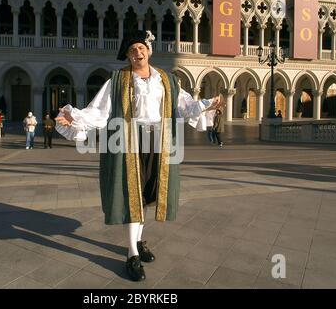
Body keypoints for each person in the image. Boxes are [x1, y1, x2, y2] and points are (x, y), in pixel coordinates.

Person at [55, 30, 219, 282]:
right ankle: (132, 254)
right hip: (127, 142)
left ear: (150, 50)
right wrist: (74, 117)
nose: (137, 52)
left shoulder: (167, 79)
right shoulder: (117, 80)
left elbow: (184, 106)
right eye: (132, 50)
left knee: (145, 195)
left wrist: (207, 104)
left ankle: (139, 241)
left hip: (159, 143)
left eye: (141, 47)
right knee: (132, 195)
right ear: (128, 55)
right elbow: (99, 111)